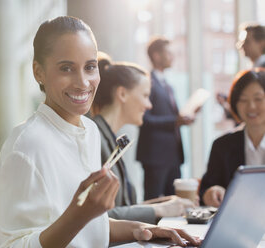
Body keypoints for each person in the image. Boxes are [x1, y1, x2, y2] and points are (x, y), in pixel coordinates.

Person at [0, 16, 200, 247]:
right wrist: (78, 216)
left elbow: (93, 229)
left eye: (90, 67)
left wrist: (144, 229)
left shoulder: (90, 130)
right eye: (66, 68)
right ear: (38, 72)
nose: (83, 82)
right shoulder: (26, 147)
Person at [92, 52, 196, 225]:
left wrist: (164, 204)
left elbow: (122, 207)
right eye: (145, 95)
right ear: (122, 94)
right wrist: (159, 209)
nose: (149, 105)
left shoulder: (107, 136)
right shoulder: (93, 138)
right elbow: (97, 219)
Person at [136, 37, 196, 201]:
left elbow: (170, 116)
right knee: (153, 201)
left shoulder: (167, 84)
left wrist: (186, 117)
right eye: (169, 53)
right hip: (156, 156)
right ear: (156, 55)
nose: (173, 57)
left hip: (173, 154)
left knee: (175, 202)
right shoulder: (147, 82)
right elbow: (144, 119)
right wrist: (175, 121)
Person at [199, 68, 265, 207]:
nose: (251, 106)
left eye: (258, 99)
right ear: (235, 104)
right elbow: (206, 188)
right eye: (243, 100)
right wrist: (212, 192)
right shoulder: (222, 146)